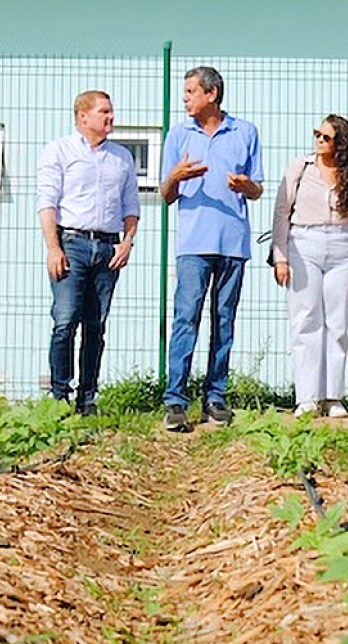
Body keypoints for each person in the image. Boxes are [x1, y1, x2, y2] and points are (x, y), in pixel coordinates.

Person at [160, 66, 263, 432]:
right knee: (186, 319)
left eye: (190, 92)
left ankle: (215, 397)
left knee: (224, 322)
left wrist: (246, 185)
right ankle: (175, 401)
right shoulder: (178, 135)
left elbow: (257, 190)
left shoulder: (245, 132)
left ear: (212, 94)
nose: (185, 98)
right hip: (193, 243)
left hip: (233, 242)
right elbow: (165, 195)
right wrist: (177, 176)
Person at [36, 90, 140, 416]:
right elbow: (47, 202)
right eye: (103, 112)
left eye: (111, 112)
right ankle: (58, 395)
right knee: (66, 320)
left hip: (108, 247)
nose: (110, 118)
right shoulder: (60, 151)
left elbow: (131, 207)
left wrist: (127, 242)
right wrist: (53, 247)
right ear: (83, 116)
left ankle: (88, 397)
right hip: (72, 244)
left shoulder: (122, 157)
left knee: (96, 324)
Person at [271, 115, 348, 418]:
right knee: (305, 320)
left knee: (337, 323)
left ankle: (333, 396)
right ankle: (307, 397)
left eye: (326, 137)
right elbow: (282, 211)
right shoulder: (300, 169)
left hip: (344, 247)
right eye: (317, 134)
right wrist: (280, 257)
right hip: (304, 243)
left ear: (340, 143)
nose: (319, 141)